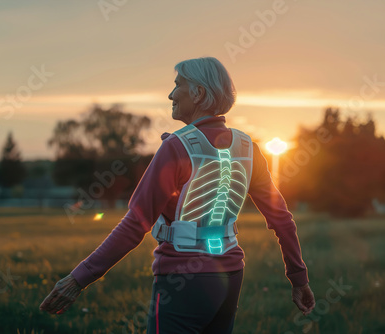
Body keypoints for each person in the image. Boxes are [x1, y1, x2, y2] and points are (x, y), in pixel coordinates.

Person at [39, 57, 316, 333]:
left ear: (198, 93)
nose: (171, 94)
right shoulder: (248, 148)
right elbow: (282, 219)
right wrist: (299, 279)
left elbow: (136, 224)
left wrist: (78, 279)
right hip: (230, 278)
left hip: (183, 280)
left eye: (177, 85)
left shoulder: (176, 147)